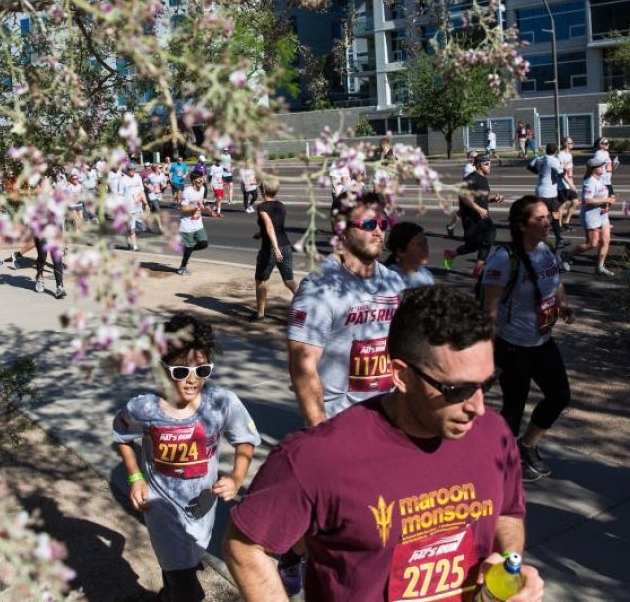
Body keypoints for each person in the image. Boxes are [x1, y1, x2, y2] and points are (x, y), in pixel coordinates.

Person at [223, 284, 545, 602]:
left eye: (486, 384)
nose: (477, 406)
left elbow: (508, 512)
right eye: (456, 390)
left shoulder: (494, 433)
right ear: (401, 376)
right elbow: (246, 546)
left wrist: (508, 566)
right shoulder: (317, 457)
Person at [114, 314, 260, 602]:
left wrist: (236, 476)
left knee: (186, 561)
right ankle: (179, 589)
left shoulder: (221, 402)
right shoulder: (144, 408)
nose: (192, 380)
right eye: (181, 371)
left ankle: (170, 588)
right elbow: (121, 433)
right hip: (161, 511)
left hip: (203, 508)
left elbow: (245, 439)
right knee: (189, 592)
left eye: (202, 370)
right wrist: (135, 477)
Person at [288, 191, 405, 425]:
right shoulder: (319, 289)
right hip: (340, 423)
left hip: (390, 419)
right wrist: (320, 431)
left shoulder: (395, 282)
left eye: (382, 224)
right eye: (369, 224)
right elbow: (302, 365)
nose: (378, 231)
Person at [483, 196, 575, 483]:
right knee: (513, 407)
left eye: (548, 216)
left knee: (560, 396)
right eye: (539, 219)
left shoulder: (546, 251)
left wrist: (563, 304)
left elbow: (555, 282)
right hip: (513, 346)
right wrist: (487, 352)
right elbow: (490, 309)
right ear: (522, 226)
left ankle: (527, 445)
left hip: (542, 341)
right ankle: (499, 463)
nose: (548, 222)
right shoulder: (503, 259)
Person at [448, 155, 505, 278]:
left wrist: (494, 199)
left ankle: (458, 257)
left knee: (483, 240)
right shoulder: (471, 179)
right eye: (487, 164)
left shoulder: (483, 179)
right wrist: (478, 208)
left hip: (481, 216)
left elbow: (480, 198)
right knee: (481, 240)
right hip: (471, 217)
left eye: (490, 163)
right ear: (479, 165)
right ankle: (475, 268)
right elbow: (464, 197)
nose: (490, 166)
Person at [251, 178, 299, 321]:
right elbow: (276, 226)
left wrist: (275, 248)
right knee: (289, 280)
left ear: (263, 190)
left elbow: (270, 227)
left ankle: (260, 313)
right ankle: (307, 305)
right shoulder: (281, 205)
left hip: (271, 249)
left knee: (260, 280)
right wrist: (260, 234)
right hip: (286, 245)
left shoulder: (262, 207)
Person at [561, 155, 616, 276]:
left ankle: (600, 267)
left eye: (603, 165)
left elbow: (603, 195)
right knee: (592, 244)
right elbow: (587, 200)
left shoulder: (601, 179)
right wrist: (606, 199)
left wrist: (609, 199)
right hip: (591, 216)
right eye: (600, 166)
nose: (603, 167)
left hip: (603, 215)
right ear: (593, 169)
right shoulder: (589, 182)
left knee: (606, 241)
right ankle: (567, 255)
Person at [531, 143, 566, 250]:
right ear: (555, 151)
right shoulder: (553, 160)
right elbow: (560, 174)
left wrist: (539, 172)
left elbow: (530, 167)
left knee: (539, 217)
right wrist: (564, 169)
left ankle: (535, 240)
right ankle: (558, 240)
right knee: (555, 216)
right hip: (550, 193)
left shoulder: (540, 158)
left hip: (540, 191)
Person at [176, 170, 209, 276]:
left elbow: (199, 204)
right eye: (200, 178)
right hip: (187, 224)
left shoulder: (203, 189)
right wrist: (195, 206)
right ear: (194, 181)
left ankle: (187, 249)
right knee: (189, 247)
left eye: (203, 177)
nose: (202, 179)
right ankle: (182, 268)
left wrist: (204, 208)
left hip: (198, 223)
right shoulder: (187, 191)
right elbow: (182, 208)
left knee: (204, 243)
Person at [385, 221, 435, 288]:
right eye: (419, 244)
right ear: (400, 252)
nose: (425, 248)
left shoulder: (427, 274)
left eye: (425, 242)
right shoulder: (390, 279)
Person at [445, 150, 478, 238]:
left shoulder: (476, 166)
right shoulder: (468, 167)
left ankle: (451, 226)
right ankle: (466, 233)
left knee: (463, 212)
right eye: (474, 157)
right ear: (470, 158)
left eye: (477, 157)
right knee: (467, 213)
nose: (476, 159)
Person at [120, 163, 149, 251]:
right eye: (130, 169)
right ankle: (134, 246)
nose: (132, 171)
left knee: (142, 228)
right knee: (132, 227)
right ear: (127, 170)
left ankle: (128, 236)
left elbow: (142, 192)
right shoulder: (123, 180)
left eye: (134, 169)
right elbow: (120, 196)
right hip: (128, 208)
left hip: (138, 207)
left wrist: (146, 204)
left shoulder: (138, 177)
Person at [556, 137, 579, 228]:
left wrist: (571, 183)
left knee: (575, 202)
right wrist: (570, 184)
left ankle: (566, 221)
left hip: (569, 183)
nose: (572, 144)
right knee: (562, 205)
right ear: (565, 144)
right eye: (570, 142)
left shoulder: (569, 155)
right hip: (562, 185)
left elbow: (569, 170)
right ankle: (559, 225)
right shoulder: (560, 155)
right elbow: (561, 172)